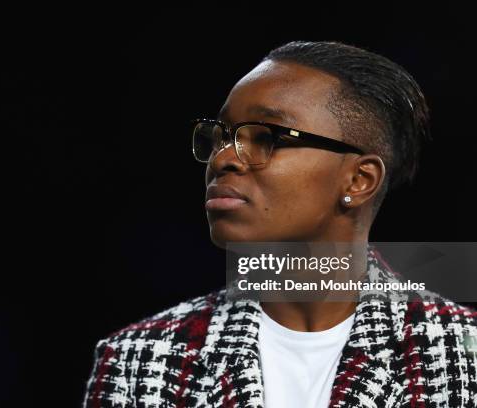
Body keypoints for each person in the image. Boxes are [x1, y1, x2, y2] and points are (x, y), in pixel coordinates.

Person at [83, 41, 477, 407]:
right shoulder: (137, 359)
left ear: (359, 181)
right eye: (222, 136)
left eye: (267, 137)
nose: (222, 159)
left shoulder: (463, 357)